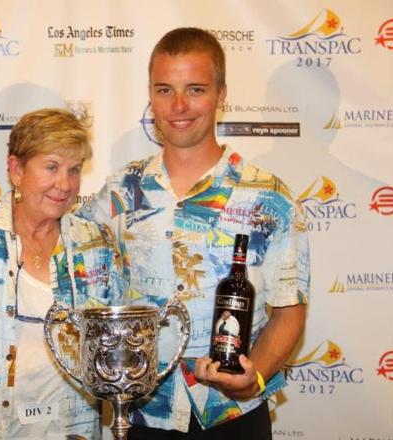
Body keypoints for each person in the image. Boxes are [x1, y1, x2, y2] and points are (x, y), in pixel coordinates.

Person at [79, 27, 310, 438]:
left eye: (196, 89)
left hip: (231, 413)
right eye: (165, 90)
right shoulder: (120, 191)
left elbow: (288, 312)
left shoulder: (269, 197)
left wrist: (253, 379)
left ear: (222, 94)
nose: (179, 105)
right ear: (150, 96)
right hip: (141, 415)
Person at [0, 108, 123, 439]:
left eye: (73, 170)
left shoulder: (95, 243)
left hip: (71, 428)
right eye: (51, 167)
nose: (65, 184)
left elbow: (113, 344)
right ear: (16, 169)